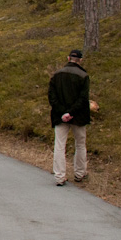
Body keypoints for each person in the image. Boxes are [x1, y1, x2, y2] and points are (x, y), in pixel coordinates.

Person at [48, 48, 91, 186]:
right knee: (80, 144)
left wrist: (63, 112)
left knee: (60, 145)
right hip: (78, 116)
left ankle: (59, 176)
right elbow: (83, 98)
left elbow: (52, 97)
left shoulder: (56, 75)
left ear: (68, 58)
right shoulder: (83, 76)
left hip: (59, 116)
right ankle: (79, 173)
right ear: (80, 60)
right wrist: (71, 112)